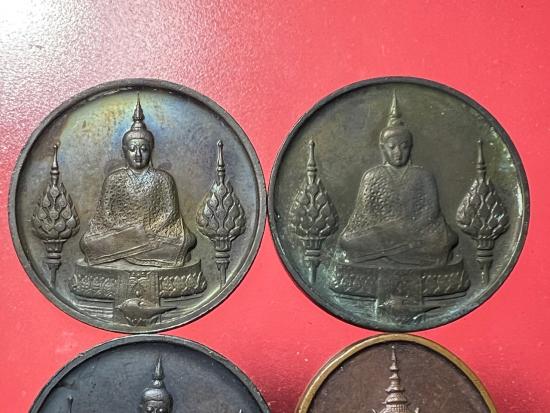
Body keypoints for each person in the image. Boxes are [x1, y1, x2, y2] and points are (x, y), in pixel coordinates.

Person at [338, 93, 457, 267]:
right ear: (383, 148)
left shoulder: (423, 175)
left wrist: (411, 226)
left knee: (443, 239)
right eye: (392, 147)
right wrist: (388, 228)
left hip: (416, 231)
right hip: (382, 233)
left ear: (410, 148)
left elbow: (431, 210)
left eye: (404, 147)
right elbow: (365, 211)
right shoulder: (372, 176)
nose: (398, 153)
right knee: (348, 240)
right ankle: (401, 252)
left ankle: (386, 254)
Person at [80, 96, 195, 267]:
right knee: (88, 242)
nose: (138, 155)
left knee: (184, 241)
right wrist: (125, 230)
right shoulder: (114, 179)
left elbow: (170, 212)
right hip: (121, 234)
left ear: (151, 151)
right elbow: (105, 213)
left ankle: (126, 252)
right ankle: (134, 248)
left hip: (153, 233)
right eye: (132, 149)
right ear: (124, 151)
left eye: (143, 149)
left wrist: (150, 229)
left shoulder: (162, 179)